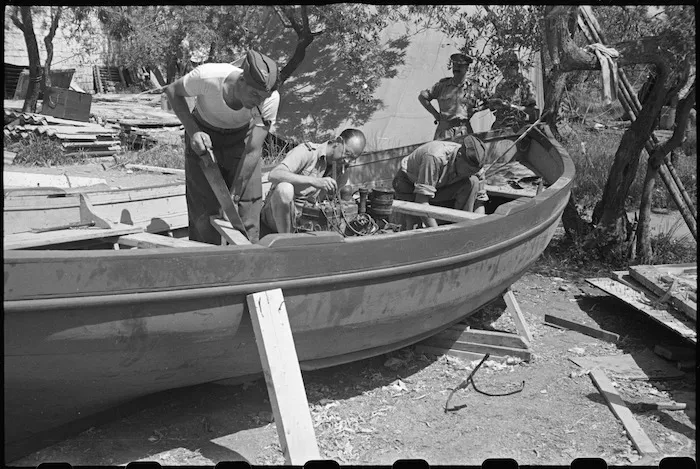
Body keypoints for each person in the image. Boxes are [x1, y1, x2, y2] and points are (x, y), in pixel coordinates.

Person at [163, 50, 280, 244]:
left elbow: (253, 149)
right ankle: (205, 263)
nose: (258, 102)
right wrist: (194, 132)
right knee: (203, 212)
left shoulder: (270, 99)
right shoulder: (207, 76)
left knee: (247, 207)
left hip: (242, 140)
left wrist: (234, 195)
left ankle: (248, 263)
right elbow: (172, 92)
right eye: (254, 94)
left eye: (263, 97)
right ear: (241, 79)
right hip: (203, 134)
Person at [261, 129, 367, 233]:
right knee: (284, 189)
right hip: (278, 216)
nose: (348, 160)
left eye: (353, 158)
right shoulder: (307, 152)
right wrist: (314, 181)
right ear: (338, 142)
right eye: (347, 153)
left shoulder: (343, 168)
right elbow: (274, 174)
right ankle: (286, 239)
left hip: (310, 219)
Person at [392, 135, 487, 230]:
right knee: (413, 227)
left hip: (437, 187)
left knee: (473, 182)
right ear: (459, 156)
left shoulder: (476, 167)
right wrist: (438, 233)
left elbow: (479, 203)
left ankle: (462, 228)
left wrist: (481, 229)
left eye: (474, 171)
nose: (470, 173)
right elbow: (421, 202)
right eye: (468, 170)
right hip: (409, 185)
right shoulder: (434, 157)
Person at [418, 53, 479, 141]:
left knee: (467, 153)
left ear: (467, 68)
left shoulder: (473, 87)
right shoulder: (442, 86)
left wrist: (475, 110)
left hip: (464, 130)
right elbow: (422, 97)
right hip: (444, 131)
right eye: (455, 65)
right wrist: (435, 115)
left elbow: (489, 101)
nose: (456, 68)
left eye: (460, 66)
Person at [487, 51, 539, 132]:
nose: (504, 73)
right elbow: (493, 107)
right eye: (502, 70)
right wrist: (493, 104)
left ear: (515, 67)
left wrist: (512, 107)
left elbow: (534, 113)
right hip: (500, 128)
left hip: (519, 129)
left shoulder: (526, 85)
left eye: (507, 70)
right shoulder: (501, 86)